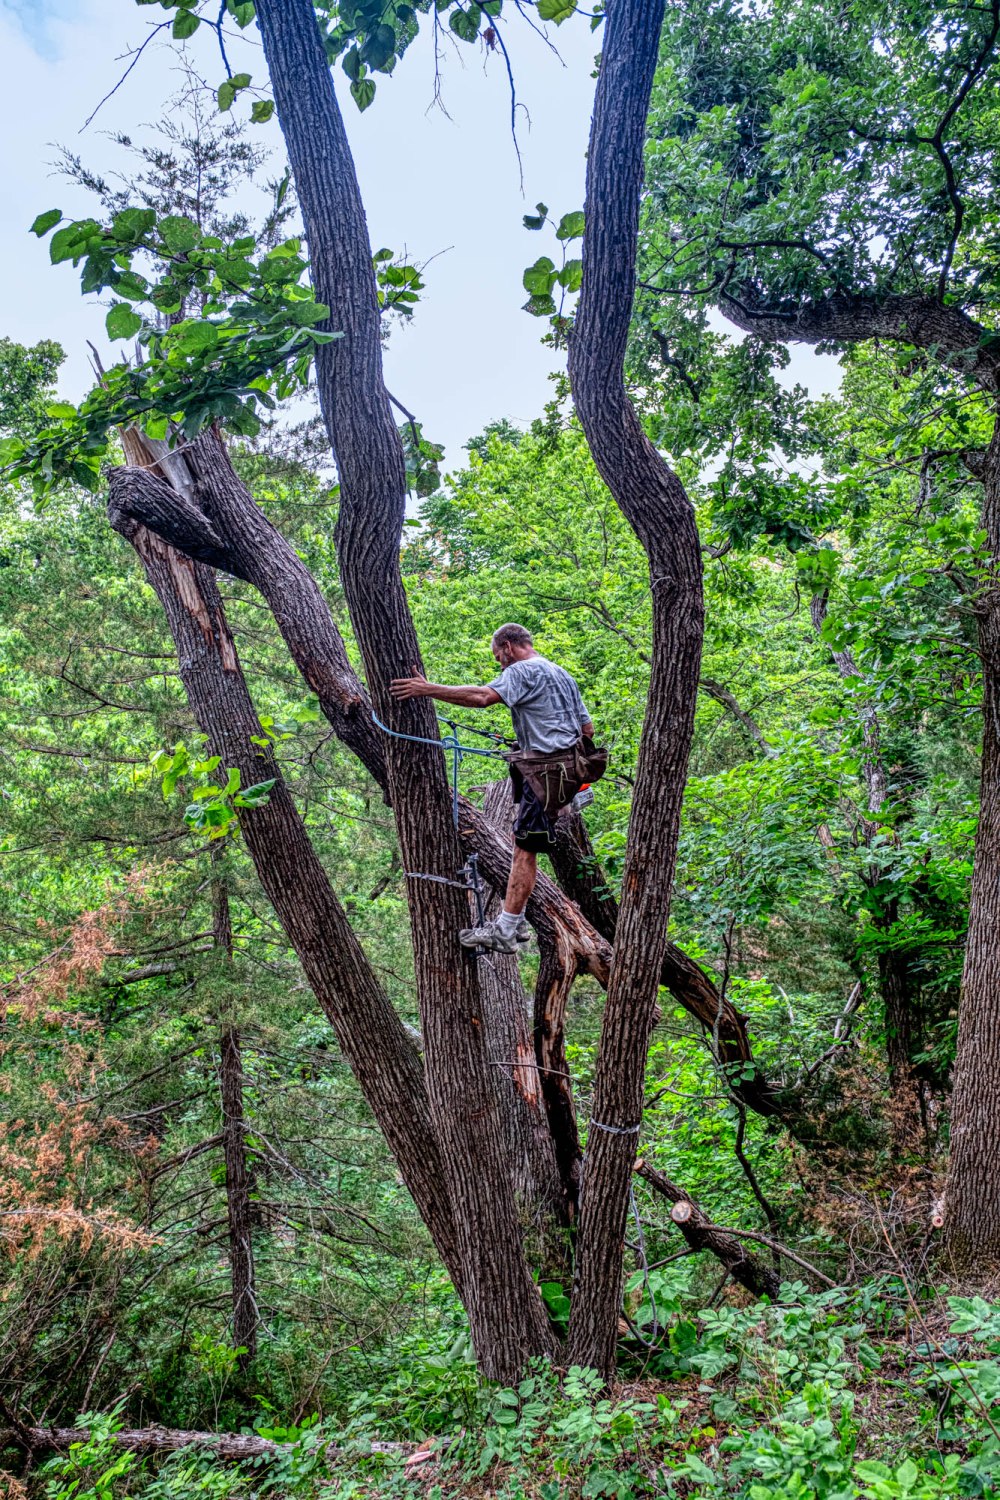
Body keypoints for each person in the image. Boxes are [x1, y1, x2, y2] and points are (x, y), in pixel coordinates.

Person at [389, 623, 598, 952]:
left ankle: (505, 931)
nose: (500, 664)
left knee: (525, 850)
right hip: (566, 772)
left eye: (498, 657)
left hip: (544, 773)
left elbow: (482, 697)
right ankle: (514, 923)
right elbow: (587, 729)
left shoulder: (521, 670)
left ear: (508, 647)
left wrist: (427, 689)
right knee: (523, 844)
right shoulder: (561, 673)